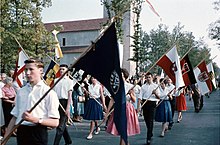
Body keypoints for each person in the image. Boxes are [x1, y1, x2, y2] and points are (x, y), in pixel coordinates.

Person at [3, 58, 60, 145]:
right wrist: (4, 140)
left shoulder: (49, 93)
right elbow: (15, 117)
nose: (27, 73)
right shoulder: (21, 91)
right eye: (26, 69)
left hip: (38, 133)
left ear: (40, 70)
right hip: (21, 132)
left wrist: (35, 120)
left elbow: (55, 122)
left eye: (31, 69)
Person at [105, 68, 140, 145]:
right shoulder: (116, 87)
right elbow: (112, 100)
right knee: (122, 132)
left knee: (124, 132)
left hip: (128, 109)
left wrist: (131, 94)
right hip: (119, 108)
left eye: (122, 76)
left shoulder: (130, 86)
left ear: (125, 77)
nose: (121, 78)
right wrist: (107, 112)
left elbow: (134, 100)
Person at [137, 72, 160, 145]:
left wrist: (155, 93)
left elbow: (159, 97)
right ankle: (150, 131)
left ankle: (148, 137)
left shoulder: (156, 86)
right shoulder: (143, 86)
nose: (148, 79)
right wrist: (138, 107)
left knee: (150, 120)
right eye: (147, 77)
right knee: (146, 120)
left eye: (149, 77)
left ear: (152, 77)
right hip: (145, 103)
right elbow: (140, 97)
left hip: (152, 103)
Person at [53, 64, 73, 145]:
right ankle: (68, 140)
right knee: (60, 123)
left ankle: (55, 143)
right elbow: (53, 93)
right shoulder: (56, 80)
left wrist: (68, 108)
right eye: (60, 69)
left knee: (60, 126)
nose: (61, 71)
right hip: (57, 102)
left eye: (63, 69)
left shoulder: (69, 81)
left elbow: (70, 95)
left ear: (67, 71)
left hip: (65, 102)